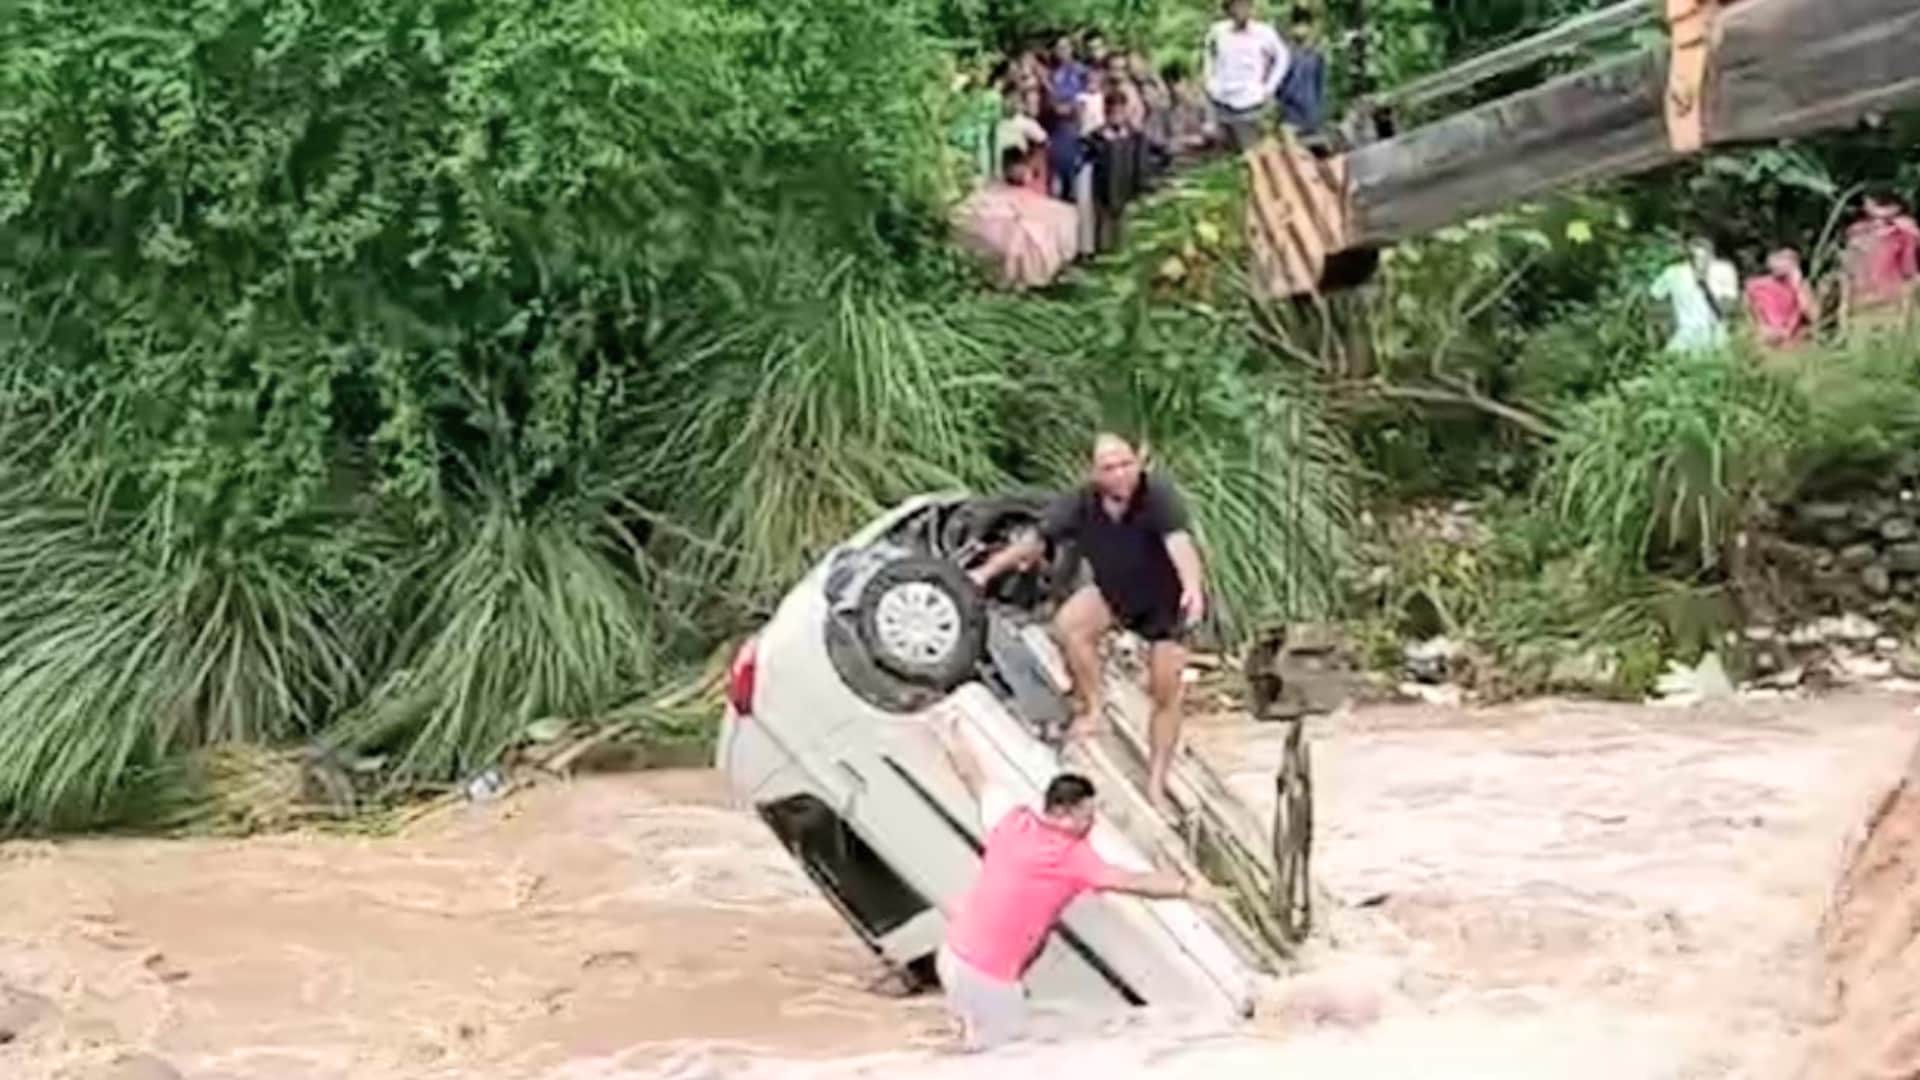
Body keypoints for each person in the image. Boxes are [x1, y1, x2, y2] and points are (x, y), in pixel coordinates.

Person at [934, 715, 1207, 1051]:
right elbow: (1132, 882)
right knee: (1005, 1059)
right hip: (988, 974)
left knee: (974, 1048)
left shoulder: (1012, 820)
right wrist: (1187, 889)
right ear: (1065, 812)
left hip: (954, 955)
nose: (1091, 824)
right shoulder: (1073, 857)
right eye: (1087, 816)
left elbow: (974, 778)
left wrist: (950, 735)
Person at [968, 434, 1205, 811]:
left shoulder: (1157, 494)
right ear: (1094, 472)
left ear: (1139, 461)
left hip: (1166, 603)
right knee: (1069, 626)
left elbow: (1180, 543)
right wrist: (986, 573)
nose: (1120, 474)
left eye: (1126, 464)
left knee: (1165, 693)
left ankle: (1157, 781)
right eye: (1109, 467)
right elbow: (1035, 540)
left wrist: (1192, 587)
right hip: (1117, 592)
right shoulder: (1082, 501)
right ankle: (1094, 707)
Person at [1203, 0, 1288, 152]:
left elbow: (1282, 58)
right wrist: (1210, 83)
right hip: (1223, 101)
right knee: (1225, 155)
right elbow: (1209, 57)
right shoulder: (1218, 31)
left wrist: (1269, 88)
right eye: (1235, 6)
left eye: (1244, 5)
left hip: (1251, 101)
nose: (1240, 10)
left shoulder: (1264, 32)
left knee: (1253, 153)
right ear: (1228, 9)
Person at [1650, 237, 1739, 354]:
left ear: (1711, 255)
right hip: (1684, 334)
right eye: (1695, 257)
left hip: (1715, 335)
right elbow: (1655, 297)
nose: (1700, 261)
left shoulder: (1724, 270)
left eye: (1704, 257)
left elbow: (1728, 308)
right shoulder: (1674, 272)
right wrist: (1666, 327)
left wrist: (1705, 285)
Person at [1843, 189, 1920, 317]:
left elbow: (1909, 273)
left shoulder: (1903, 234)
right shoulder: (1857, 233)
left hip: (1881, 303)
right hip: (1874, 302)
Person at [1088, 90, 1143, 253]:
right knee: (1104, 226)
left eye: (1120, 111)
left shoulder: (1134, 136)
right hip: (1103, 190)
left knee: (1125, 227)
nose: (1117, 116)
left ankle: (1123, 252)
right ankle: (1103, 253)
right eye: (1112, 112)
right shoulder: (1096, 137)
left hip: (1127, 187)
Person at [1744, 247, 1817, 348]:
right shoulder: (1755, 286)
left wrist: (1797, 286)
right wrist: (1761, 329)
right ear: (1770, 260)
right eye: (1780, 258)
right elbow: (1748, 315)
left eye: (1789, 259)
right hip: (1766, 343)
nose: (1783, 263)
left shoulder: (1801, 286)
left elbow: (1813, 316)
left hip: (1795, 344)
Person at [1277, 7, 1328, 137]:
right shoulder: (1285, 54)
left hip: (1312, 115)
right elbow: (1279, 85)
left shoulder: (1316, 55)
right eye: (1297, 25)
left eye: (1304, 25)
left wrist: (1320, 113)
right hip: (1290, 115)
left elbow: (1320, 86)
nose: (1301, 29)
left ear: (1310, 28)